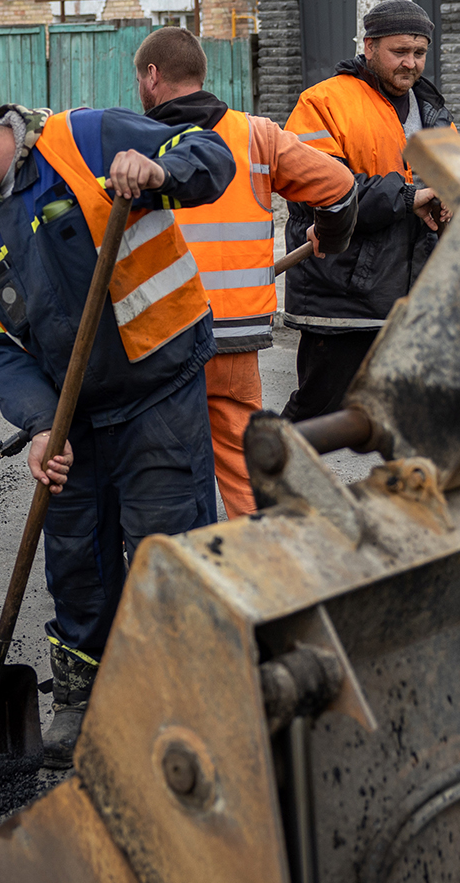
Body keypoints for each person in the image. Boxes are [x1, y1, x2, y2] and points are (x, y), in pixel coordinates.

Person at [0, 92, 234, 766]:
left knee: (171, 549)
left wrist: (158, 170)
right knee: (77, 562)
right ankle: (82, 701)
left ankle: (196, 701)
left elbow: (210, 155)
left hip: (155, 392)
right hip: (72, 420)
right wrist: (43, 425)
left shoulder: (86, 139)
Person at [133, 26, 361, 517]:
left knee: (168, 469)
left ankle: (188, 572)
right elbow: (340, 186)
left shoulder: (135, 144)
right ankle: (266, 564)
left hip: (162, 339)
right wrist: (331, 235)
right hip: (234, 336)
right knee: (242, 466)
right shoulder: (256, 135)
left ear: (152, 77)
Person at [281, 0, 452, 420]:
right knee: (320, 413)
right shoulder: (322, 103)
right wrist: (408, 197)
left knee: (414, 417)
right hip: (346, 292)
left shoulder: (429, 106)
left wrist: (452, 196)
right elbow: (315, 190)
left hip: (412, 292)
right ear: (369, 46)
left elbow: (448, 178)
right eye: (400, 52)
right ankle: (267, 479)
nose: (411, 64)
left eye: (419, 53)